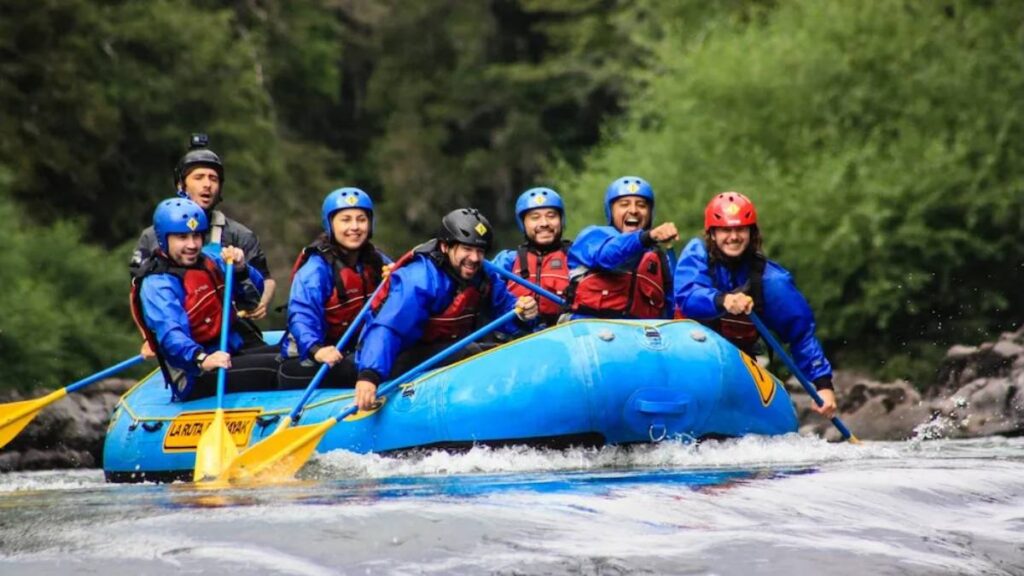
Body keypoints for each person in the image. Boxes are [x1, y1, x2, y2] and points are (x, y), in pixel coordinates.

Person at [353, 208, 539, 411]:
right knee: (470, 351)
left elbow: (507, 311)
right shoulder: (420, 279)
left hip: (444, 351)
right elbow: (388, 328)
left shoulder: (484, 277)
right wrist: (369, 376)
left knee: (492, 349)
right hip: (394, 357)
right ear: (445, 247)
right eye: (466, 249)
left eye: (480, 251)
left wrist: (524, 314)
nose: (474, 258)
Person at [673, 191, 838, 418]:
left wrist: (823, 385)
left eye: (741, 229)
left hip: (735, 368)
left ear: (752, 233)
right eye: (725, 230)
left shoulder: (769, 280)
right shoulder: (697, 254)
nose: (733, 237)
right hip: (685, 359)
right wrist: (723, 300)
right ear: (712, 234)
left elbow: (801, 333)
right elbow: (688, 295)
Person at [130, 197, 279, 401]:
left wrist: (241, 269)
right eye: (182, 237)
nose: (192, 245)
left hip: (231, 349)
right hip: (196, 371)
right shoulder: (157, 284)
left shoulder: (211, 259)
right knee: (275, 368)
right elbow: (171, 335)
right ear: (164, 239)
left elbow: (253, 298)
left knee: (289, 355)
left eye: (197, 236)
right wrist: (202, 358)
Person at [130, 133, 276, 321]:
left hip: (228, 327)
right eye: (199, 177)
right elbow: (137, 289)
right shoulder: (152, 236)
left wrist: (260, 303)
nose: (207, 185)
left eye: (213, 179)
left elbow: (265, 280)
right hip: (173, 326)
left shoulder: (240, 235)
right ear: (181, 185)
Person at [278, 188, 389, 390]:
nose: (355, 227)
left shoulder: (376, 261)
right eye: (345, 220)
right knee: (358, 368)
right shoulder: (316, 269)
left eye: (361, 219)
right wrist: (317, 350)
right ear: (330, 224)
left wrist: (398, 278)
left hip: (353, 350)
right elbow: (301, 314)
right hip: (311, 356)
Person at [565, 176, 677, 320]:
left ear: (650, 213)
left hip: (639, 332)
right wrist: (647, 237)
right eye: (624, 204)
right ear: (611, 211)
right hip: (588, 326)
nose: (634, 210)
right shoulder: (593, 237)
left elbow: (672, 308)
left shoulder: (660, 258)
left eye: (641, 205)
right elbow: (609, 256)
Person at [491, 187, 572, 328]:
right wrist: (515, 310)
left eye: (551, 216)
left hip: (564, 335)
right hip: (518, 337)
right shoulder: (507, 261)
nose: (544, 223)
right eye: (535, 217)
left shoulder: (577, 258)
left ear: (561, 220)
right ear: (523, 223)